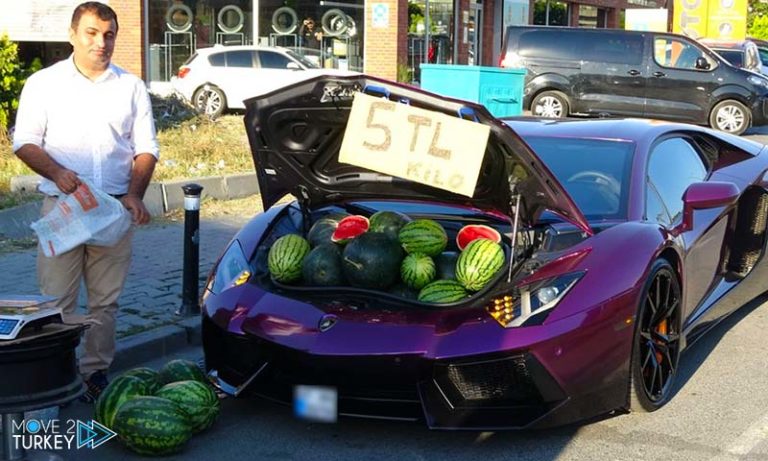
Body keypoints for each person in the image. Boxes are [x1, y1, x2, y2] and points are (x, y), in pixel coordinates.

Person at [12, 2, 159, 403]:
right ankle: (54, 379)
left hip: (112, 210)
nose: (101, 42)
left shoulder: (130, 87)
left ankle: (94, 375)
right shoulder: (44, 84)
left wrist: (134, 194)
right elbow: (23, 141)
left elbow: (146, 147)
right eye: (92, 33)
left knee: (105, 302)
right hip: (63, 207)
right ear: (73, 35)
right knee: (55, 302)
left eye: (109, 34)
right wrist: (56, 172)